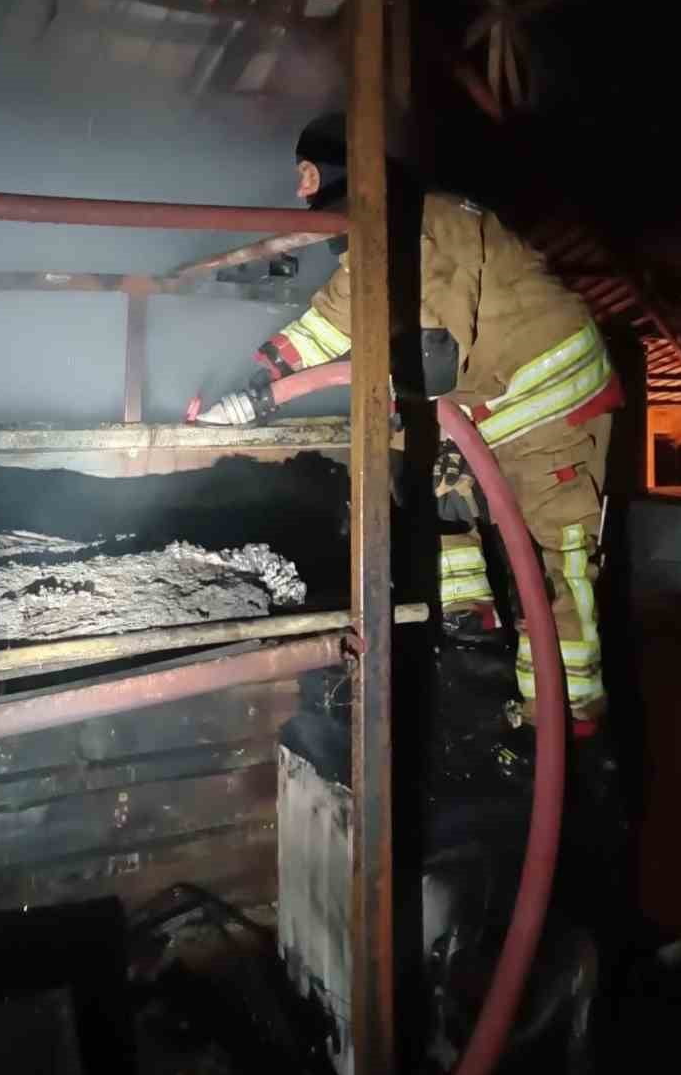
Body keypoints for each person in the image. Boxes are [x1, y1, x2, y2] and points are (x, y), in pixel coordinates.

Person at [196, 112, 621, 724]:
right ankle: (469, 629)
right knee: (420, 476)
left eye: (307, 173)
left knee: (558, 558)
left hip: (550, 403)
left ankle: (568, 715)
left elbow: (431, 358)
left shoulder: (429, 227)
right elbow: (329, 324)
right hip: (486, 402)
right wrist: (247, 386)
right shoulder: (380, 237)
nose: (299, 189)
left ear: (343, 170)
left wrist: (290, 397)